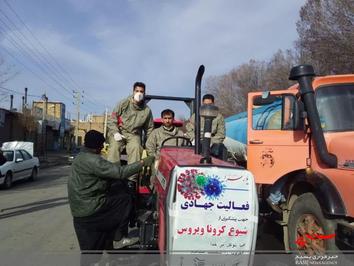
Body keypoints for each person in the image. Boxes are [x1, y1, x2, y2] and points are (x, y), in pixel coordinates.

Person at [68, 130, 154, 265]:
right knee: (124, 198)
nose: (103, 147)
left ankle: (111, 240)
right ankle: (119, 237)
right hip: (91, 209)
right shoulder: (93, 160)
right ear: (96, 146)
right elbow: (119, 173)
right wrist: (142, 163)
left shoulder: (81, 157)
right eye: (101, 144)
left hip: (80, 208)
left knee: (90, 255)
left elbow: (107, 171)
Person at [107, 81, 154, 172]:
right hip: (119, 132)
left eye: (141, 91)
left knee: (136, 148)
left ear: (144, 93)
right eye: (137, 91)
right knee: (114, 147)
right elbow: (112, 119)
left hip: (134, 135)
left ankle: (131, 178)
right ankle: (112, 174)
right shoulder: (123, 103)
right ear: (133, 92)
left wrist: (149, 144)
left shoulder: (147, 110)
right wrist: (115, 132)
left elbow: (149, 128)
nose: (139, 93)